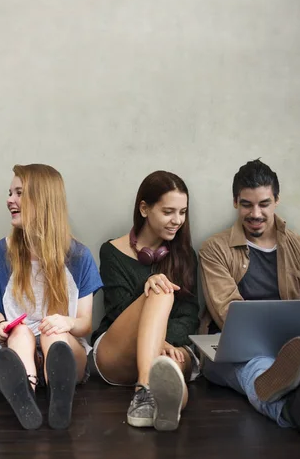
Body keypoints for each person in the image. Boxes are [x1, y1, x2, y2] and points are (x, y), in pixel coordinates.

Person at [200, 159, 300, 440]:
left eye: (264, 204)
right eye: (246, 204)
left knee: (293, 360)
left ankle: (296, 397)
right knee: (255, 365)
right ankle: (293, 404)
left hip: (296, 350)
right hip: (227, 352)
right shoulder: (215, 249)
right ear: (235, 202)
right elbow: (226, 313)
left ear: (276, 200)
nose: (255, 213)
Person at [0, 164, 102, 430]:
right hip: (21, 347)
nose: (9, 200)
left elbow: (85, 324)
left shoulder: (79, 257)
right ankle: (27, 392)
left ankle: (60, 396)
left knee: (52, 334)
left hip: (67, 350)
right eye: (10, 193)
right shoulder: (1, 253)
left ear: (43, 200)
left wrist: (66, 323)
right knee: (21, 332)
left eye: (19, 193)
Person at [91, 171, 199, 431]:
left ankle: (166, 405)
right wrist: (157, 337)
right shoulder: (112, 252)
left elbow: (190, 315)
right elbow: (118, 312)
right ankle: (145, 388)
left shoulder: (185, 255)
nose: (177, 221)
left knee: (170, 366)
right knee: (161, 289)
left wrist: (165, 342)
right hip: (117, 354)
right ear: (144, 208)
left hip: (170, 347)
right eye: (168, 212)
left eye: (182, 212)